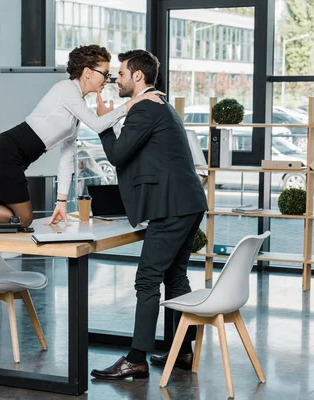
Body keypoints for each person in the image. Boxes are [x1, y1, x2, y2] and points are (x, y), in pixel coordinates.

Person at [0, 44, 164, 324]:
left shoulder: (78, 105)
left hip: (14, 157)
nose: (108, 80)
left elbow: (67, 155)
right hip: (7, 153)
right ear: (87, 72)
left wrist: (61, 202)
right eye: (104, 73)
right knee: (22, 219)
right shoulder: (66, 90)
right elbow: (99, 126)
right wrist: (132, 103)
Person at [89, 49, 208, 380]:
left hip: (172, 207)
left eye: (122, 75)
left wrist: (103, 123)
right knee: (175, 276)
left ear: (137, 76)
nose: (117, 80)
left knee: (147, 279)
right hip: (189, 202)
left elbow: (117, 154)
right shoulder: (160, 104)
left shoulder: (144, 108)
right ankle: (182, 351)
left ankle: (135, 359)